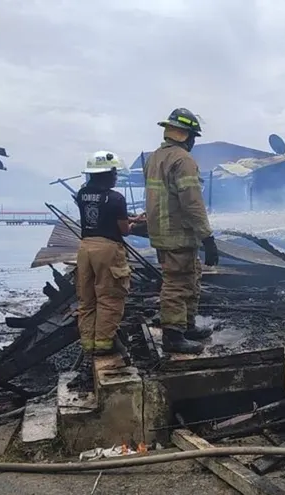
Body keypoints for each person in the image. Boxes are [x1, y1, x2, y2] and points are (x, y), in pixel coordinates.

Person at [144, 108, 220, 355]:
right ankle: (173, 336)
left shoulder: (155, 157)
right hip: (178, 233)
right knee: (177, 284)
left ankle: (186, 325)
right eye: (193, 137)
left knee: (189, 277)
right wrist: (207, 237)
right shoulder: (183, 160)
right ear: (186, 135)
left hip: (161, 231)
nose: (194, 142)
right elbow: (192, 202)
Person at [73, 151, 138, 386]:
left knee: (87, 300)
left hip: (85, 248)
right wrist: (132, 222)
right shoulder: (116, 198)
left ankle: (89, 344)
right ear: (107, 174)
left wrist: (126, 218)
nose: (116, 177)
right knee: (110, 297)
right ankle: (103, 345)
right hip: (108, 249)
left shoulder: (82, 194)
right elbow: (124, 230)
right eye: (114, 173)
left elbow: (99, 213)